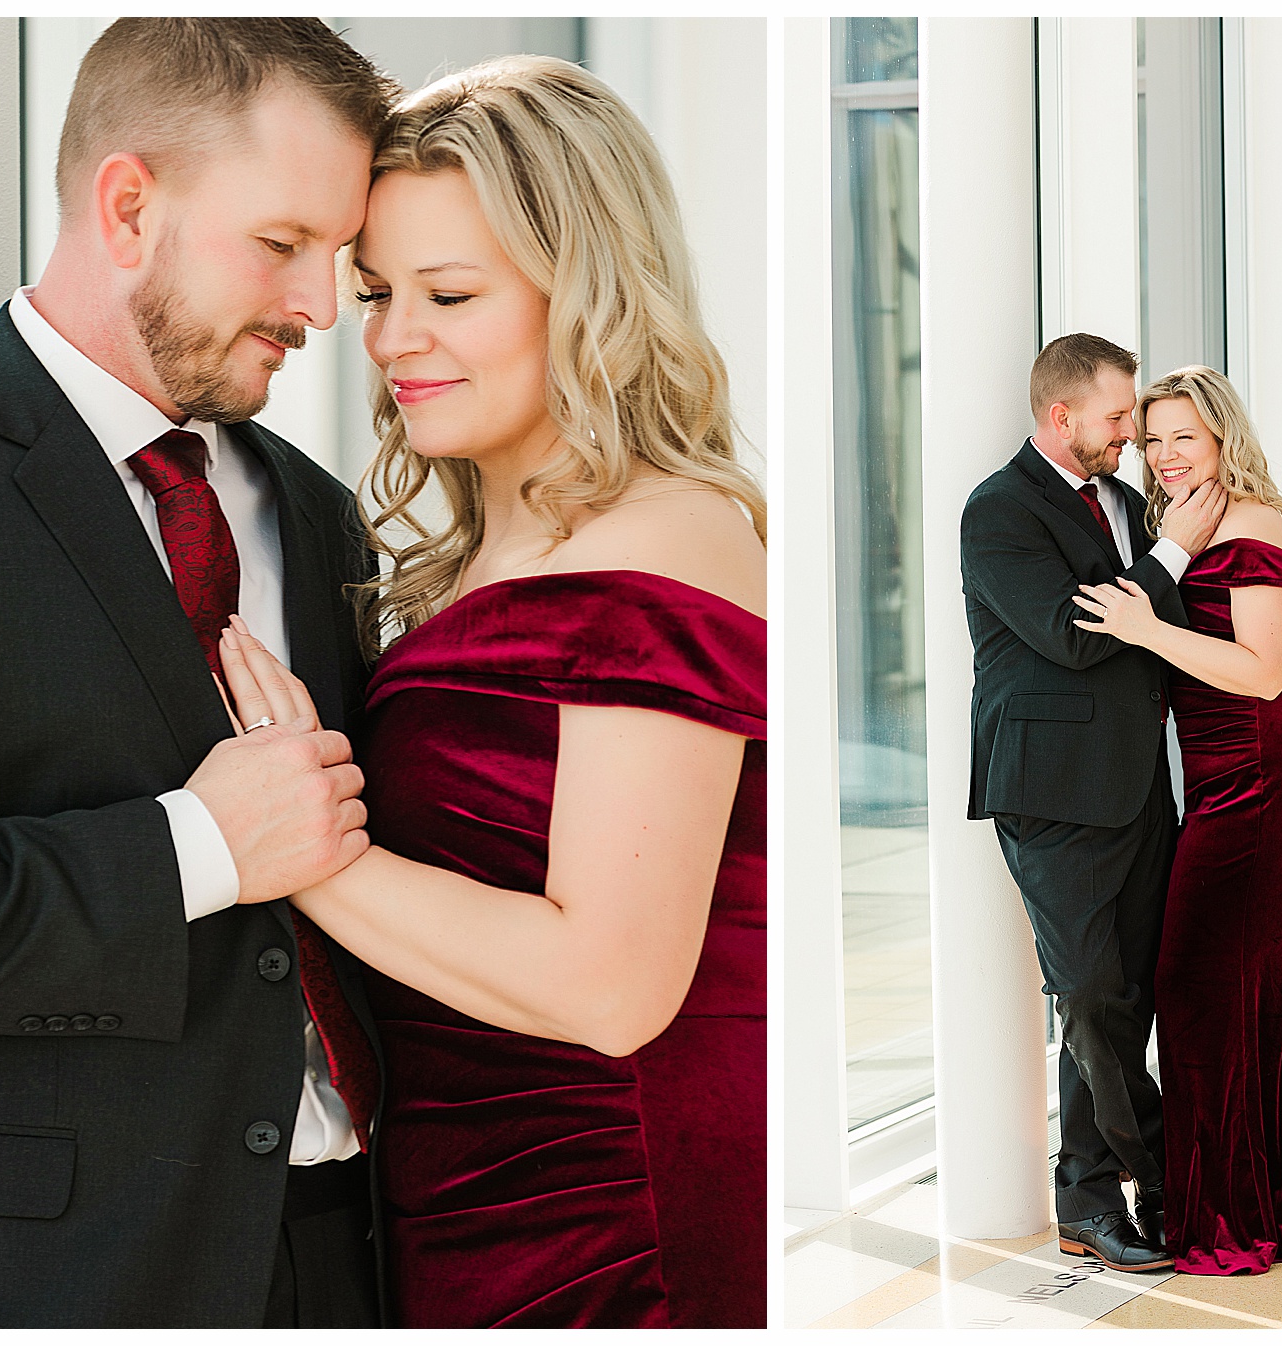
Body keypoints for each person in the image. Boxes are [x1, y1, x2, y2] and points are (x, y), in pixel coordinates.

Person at [216, 56, 768, 1328]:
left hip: (606, 1216)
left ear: (588, 287)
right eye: (377, 292)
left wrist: (299, 846)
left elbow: (610, 984)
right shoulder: (470, 547)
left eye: (450, 292)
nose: (396, 337)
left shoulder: (668, 532)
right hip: (456, 1192)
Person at [0, 20, 400, 1327]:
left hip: (354, 1253)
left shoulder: (320, 513)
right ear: (129, 207)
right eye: (284, 244)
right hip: (64, 1277)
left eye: (338, 258)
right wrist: (199, 848)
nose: (324, 308)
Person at [1071, 364, 1282, 1275]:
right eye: (1153, 438)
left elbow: (1264, 672)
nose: (1165, 457)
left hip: (1264, 788)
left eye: (1184, 439)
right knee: (1236, 1001)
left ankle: (1236, 1215)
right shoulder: (1189, 526)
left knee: (1207, 992)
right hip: (1221, 785)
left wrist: (1148, 630)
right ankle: (1264, 1204)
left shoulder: (1246, 524)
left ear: (1221, 440)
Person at [959, 334, 1224, 1272]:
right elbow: (1075, 635)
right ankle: (1153, 1180)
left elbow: (1157, 634)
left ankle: (1085, 1197)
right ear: (1061, 416)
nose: (1132, 437)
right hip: (1052, 794)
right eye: (1119, 419)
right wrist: (1173, 555)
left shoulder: (1122, 499)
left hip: (1141, 785)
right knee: (1091, 993)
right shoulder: (998, 511)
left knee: (1126, 999)